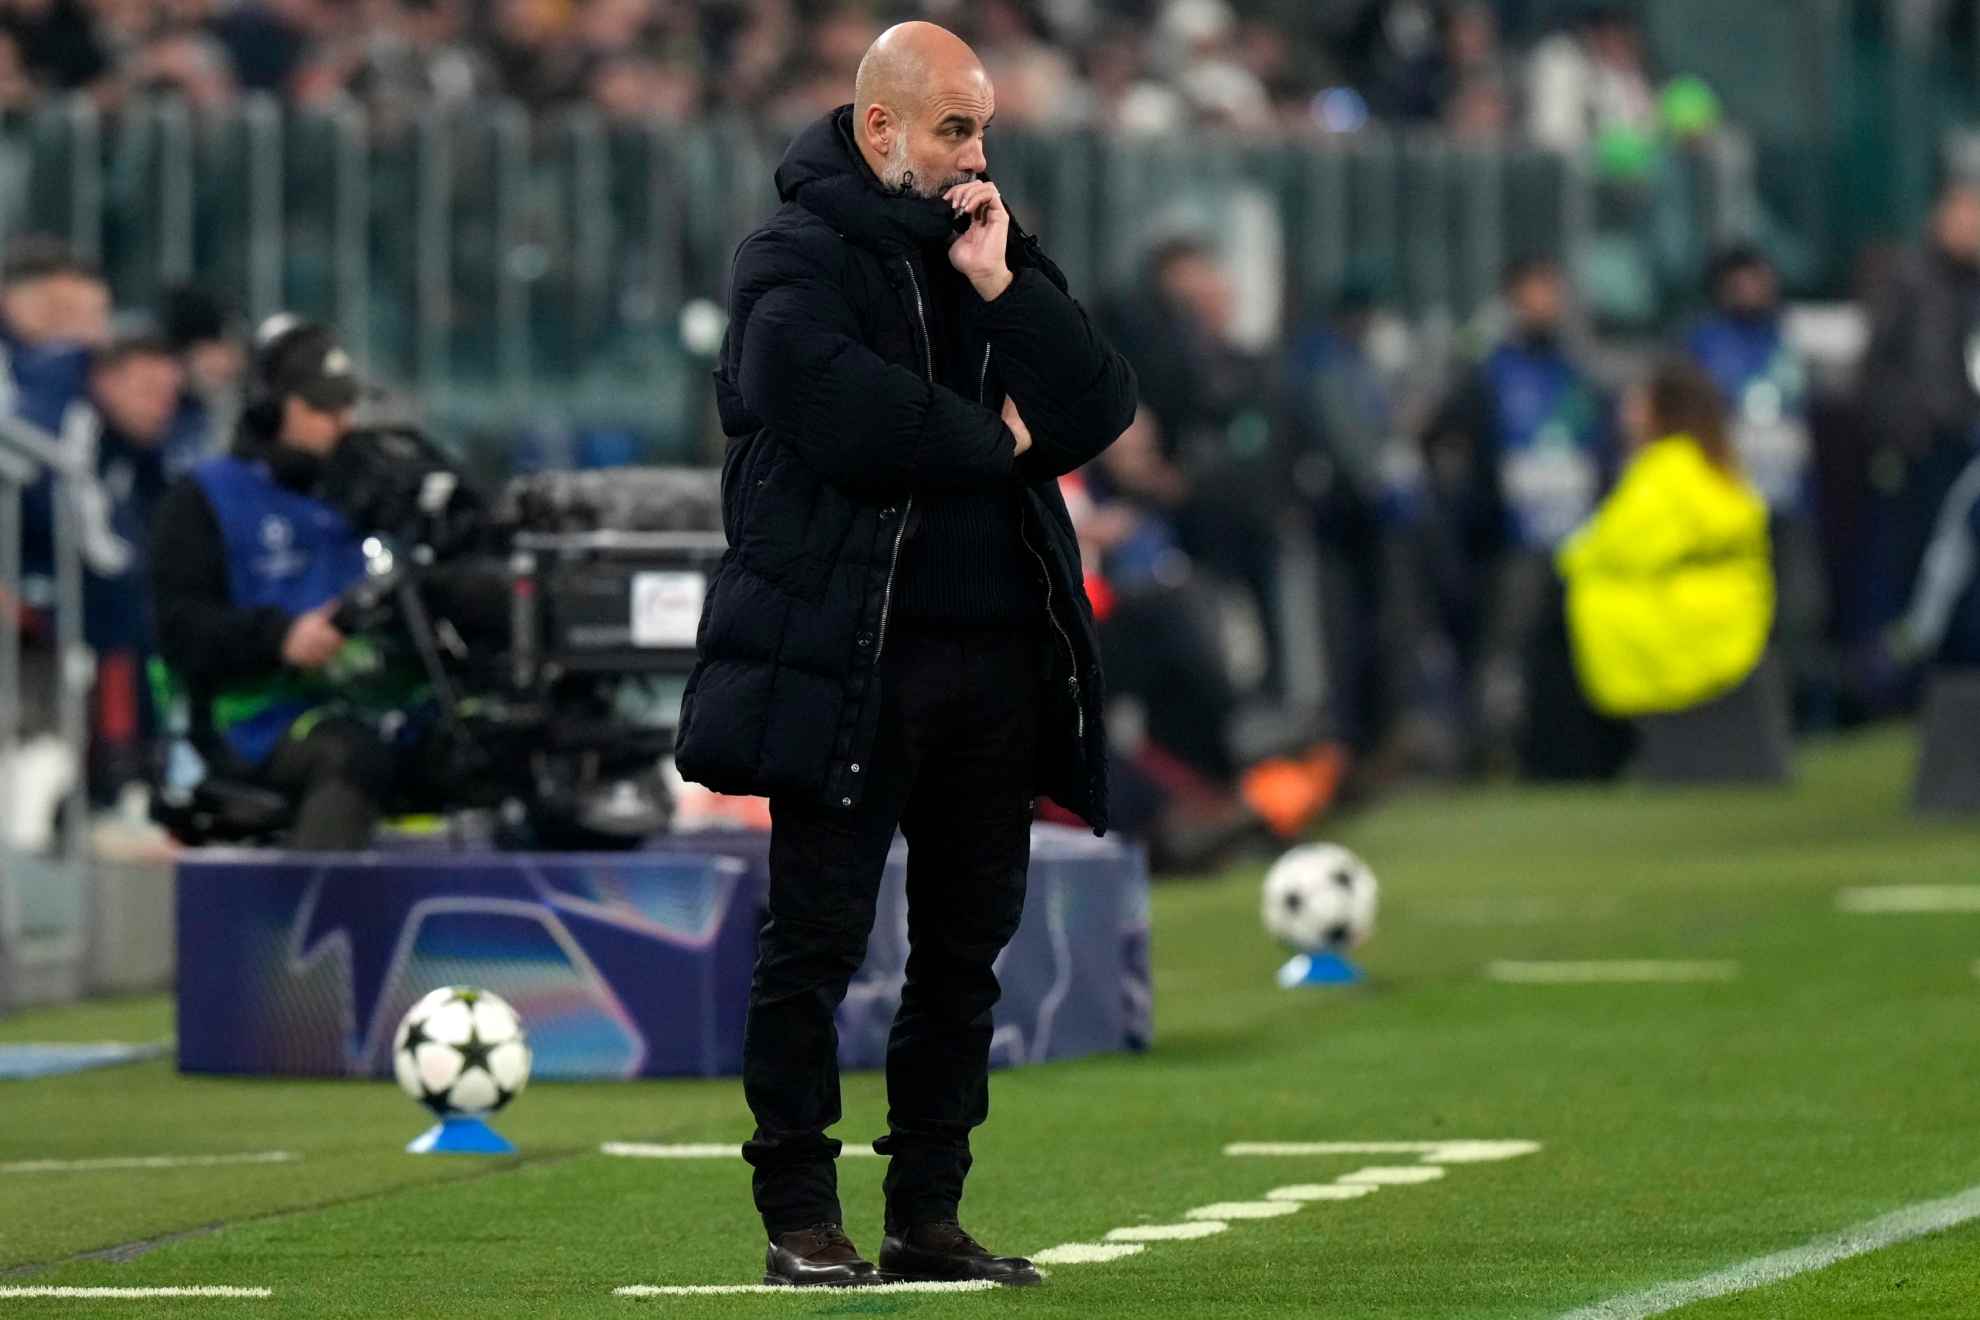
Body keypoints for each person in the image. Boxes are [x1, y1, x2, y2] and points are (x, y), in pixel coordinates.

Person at [672, 20, 1135, 1289]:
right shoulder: (791, 252)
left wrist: (1004, 288)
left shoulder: (977, 240)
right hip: (849, 656)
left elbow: (1100, 405)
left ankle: (925, 1212)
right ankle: (798, 1214)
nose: (977, 151)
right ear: (881, 129)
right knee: (814, 942)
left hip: (990, 660)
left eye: (981, 126)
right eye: (954, 127)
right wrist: (996, 442)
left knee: (962, 952)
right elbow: (831, 409)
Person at [149, 317, 395, 850]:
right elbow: (179, 628)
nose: (343, 423)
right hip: (248, 722)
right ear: (270, 408)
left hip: (363, 700)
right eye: (322, 407)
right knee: (351, 755)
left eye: (347, 406)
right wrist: (280, 638)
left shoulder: (362, 495)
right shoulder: (202, 500)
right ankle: (312, 925)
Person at [1419, 256, 1613, 771]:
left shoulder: (1575, 371)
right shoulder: (1489, 372)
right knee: (1504, 649)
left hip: (1579, 536)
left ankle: (1572, 750)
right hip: (1513, 539)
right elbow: (1441, 435)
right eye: (1536, 291)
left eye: (1553, 291)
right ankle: (1488, 751)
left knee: (1571, 649)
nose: (1547, 303)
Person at [1557, 357, 1773, 721]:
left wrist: (1568, 560)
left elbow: (1613, 549)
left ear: (1661, 410)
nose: (1626, 409)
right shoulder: (1720, 467)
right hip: (1737, 615)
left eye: (1637, 401)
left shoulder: (1661, 471)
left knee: (1572, 603)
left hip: (1682, 624)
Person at [1684, 244, 1829, 724]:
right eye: (1740, 279)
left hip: (1789, 502)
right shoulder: (1701, 345)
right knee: (1730, 617)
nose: (1751, 289)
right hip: (1724, 508)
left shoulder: (1788, 341)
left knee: (1799, 611)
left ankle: (1788, 718)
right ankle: (1730, 718)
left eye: (1758, 277)